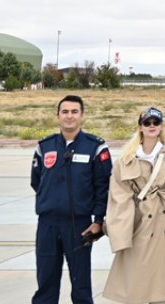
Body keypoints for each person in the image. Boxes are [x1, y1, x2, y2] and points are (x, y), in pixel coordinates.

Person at [31, 94, 111, 304]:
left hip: (79, 225)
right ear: (57, 116)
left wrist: (98, 221)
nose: (69, 116)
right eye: (65, 112)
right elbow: (37, 181)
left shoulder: (95, 147)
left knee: (81, 285)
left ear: (82, 116)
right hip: (48, 225)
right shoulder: (45, 146)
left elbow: (103, 187)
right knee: (46, 282)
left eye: (74, 112)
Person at [103, 107, 165, 304]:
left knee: (158, 284)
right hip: (137, 224)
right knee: (134, 284)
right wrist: (121, 231)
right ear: (140, 127)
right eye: (147, 123)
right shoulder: (126, 159)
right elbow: (118, 196)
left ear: (162, 126)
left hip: (162, 223)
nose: (152, 126)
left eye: (156, 122)